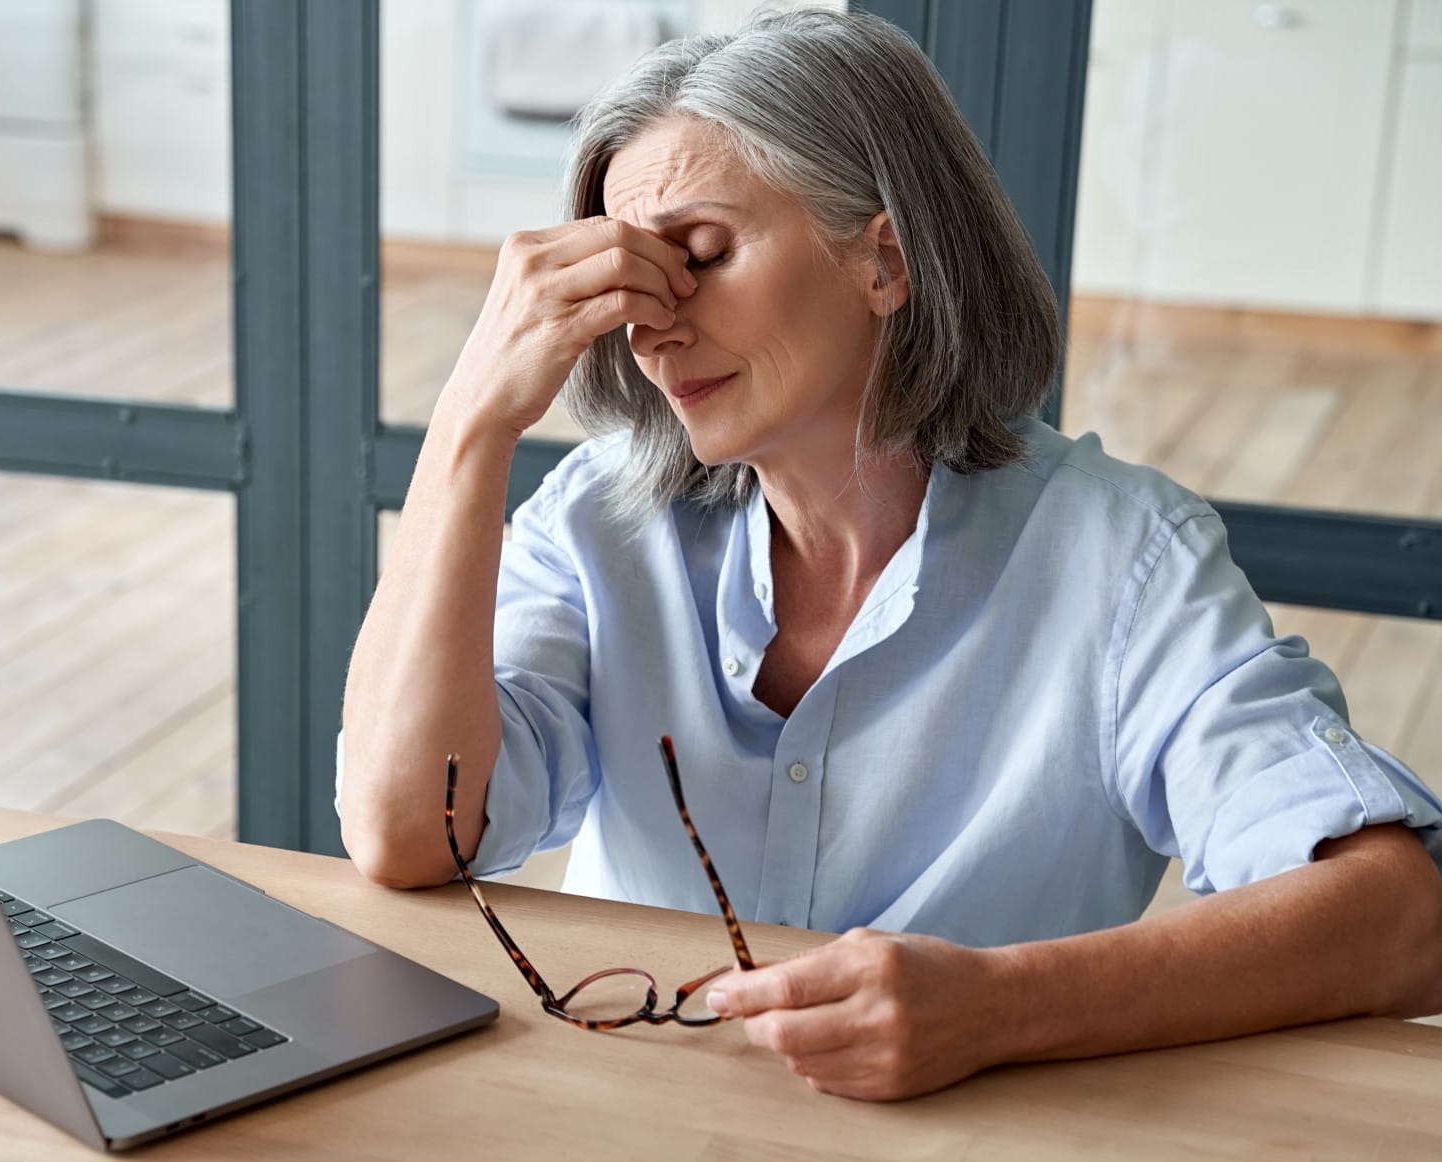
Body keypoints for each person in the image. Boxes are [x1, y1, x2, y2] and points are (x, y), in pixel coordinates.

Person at [335, 7, 1442, 1099]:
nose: (652, 326)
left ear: (887, 261)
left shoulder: (1122, 561)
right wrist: (472, 419)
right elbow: (406, 833)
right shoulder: (598, 522)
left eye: (702, 256)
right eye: (631, 278)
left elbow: (1402, 915)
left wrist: (1003, 1005)